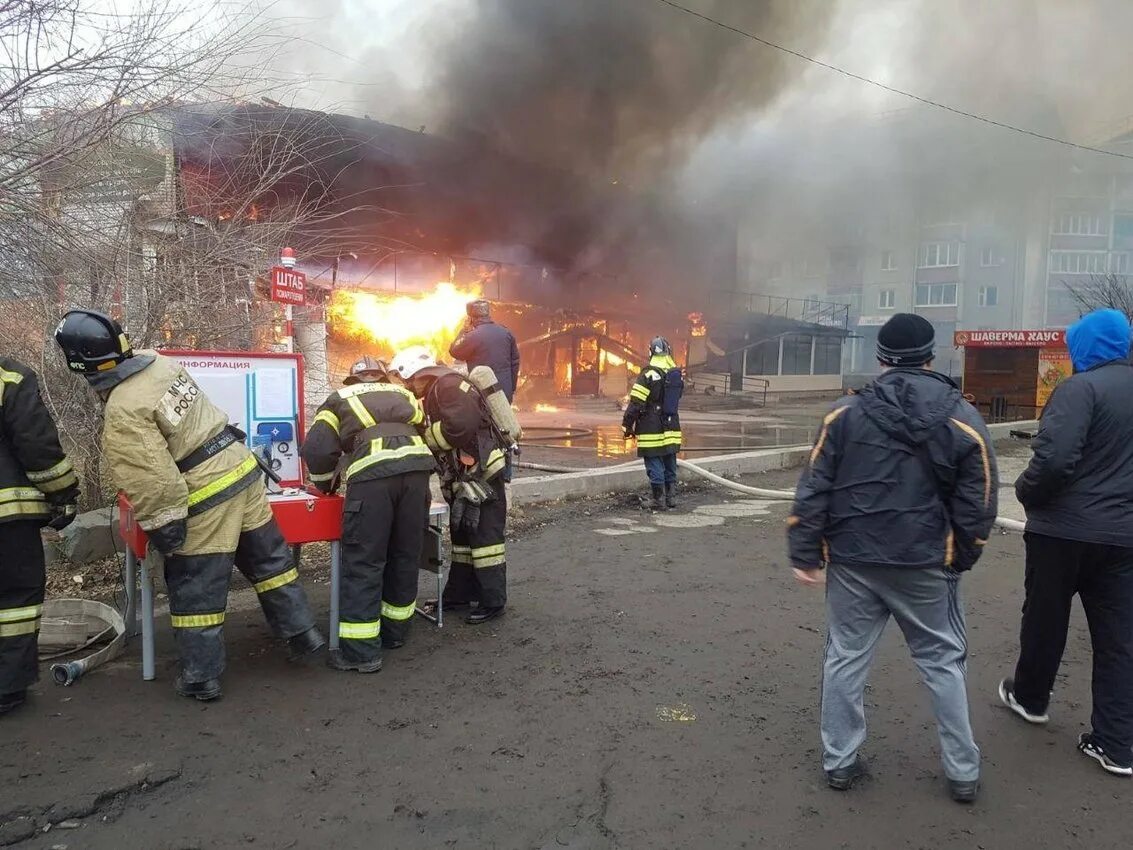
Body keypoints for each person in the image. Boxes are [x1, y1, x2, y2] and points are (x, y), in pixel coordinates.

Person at [54, 309, 325, 700]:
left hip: (207, 494)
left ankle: (201, 677)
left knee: (197, 588)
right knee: (270, 564)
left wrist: (166, 526)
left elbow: (151, 477)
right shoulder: (158, 366)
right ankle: (302, 633)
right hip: (243, 471)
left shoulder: (123, 409)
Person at [788, 313, 997, 803]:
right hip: (926, 562)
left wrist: (806, 551)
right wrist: (961, 555)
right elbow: (981, 497)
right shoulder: (962, 417)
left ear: (880, 358)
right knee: (944, 662)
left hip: (854, 561)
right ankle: (962, 772)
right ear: (930, 356)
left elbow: (815, 483)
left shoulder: (843, 414)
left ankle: (839, 761)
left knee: (845, 658)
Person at [999, 308, 1133, 777]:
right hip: (1123, 540)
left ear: (1086, 345)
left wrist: (1025, 493)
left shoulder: (1079, 389)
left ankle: (1031, 698)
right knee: (1120, 638)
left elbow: (1053, 460)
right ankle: (1118, 745)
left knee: (1045, 618)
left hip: (1063, 532)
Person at [300, 355, 434, 673]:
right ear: (382, 377)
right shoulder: (404, 394)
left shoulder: (338, 399)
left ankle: (361, 653)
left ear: (353, 380)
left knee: (363, 561)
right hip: (417, 478)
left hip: (373, 481)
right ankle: (395, 633)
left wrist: (325, 486)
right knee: (404, 555)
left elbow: (318, 449)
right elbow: (423, 430)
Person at [389, 346, 508, 624]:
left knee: (485, 540)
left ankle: (493, 601)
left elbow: (459, 427)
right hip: (467, 477)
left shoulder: (449, 386)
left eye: (407, 379)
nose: (407, 386)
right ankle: (459, 594)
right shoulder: (438, 389)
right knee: (464, 539)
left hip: (482, 477)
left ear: (417, 374)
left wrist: (423, 440)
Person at [0, 358, 79, 716]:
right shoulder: (9, 377)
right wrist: (63, 492)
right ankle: (8, 688)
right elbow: (37, 445)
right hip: (7, 522)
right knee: (15, 602)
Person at [622, 336, 682, 510]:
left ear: (651, 352)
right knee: (669, 458)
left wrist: (627, 425)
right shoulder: (675, 374)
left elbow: (636, 402)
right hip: (672, 424)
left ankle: (658, 500)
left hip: (651, 424)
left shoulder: (648, 374)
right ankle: (671, 498)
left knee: (654, 458)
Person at [449, 300, 521, 403]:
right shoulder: (505, 332)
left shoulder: (472, 336)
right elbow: (515, 363)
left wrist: (463, 331)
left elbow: (454, 352)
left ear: (470, 318)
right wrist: (511, 388)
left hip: (484, 395)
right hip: (505, 393)